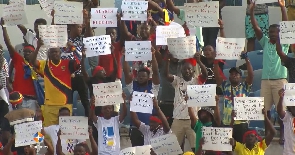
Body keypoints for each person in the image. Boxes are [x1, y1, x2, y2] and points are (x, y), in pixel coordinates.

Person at [249, 0, 289, 144]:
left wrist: (283, 8)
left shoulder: (284, 43)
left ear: (280, 33)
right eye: (271, 32)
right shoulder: (265, 41)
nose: (272, 34)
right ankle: (267, 133)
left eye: (275, 32)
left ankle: (283, 134)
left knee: (281, 111)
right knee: (264, 111)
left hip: (280, 80)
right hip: (265, 81)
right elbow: (255, 26)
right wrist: (251, 11)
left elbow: (286, 25)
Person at [51, 10, 93, 117]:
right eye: (78, 27)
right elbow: (53, 31)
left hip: (79, 74)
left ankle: (89, 122)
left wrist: (87, 21)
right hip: (65, 75)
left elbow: (90, 35)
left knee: (85, 101)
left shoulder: (81, 40)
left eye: (81, 27)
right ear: (72, 27)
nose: (80, 29)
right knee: (66, 101)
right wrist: (54, 17)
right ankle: (67, 121)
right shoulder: (62, 39)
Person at [30, 40, 80, 127]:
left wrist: (73, 49)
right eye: (52, 52)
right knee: (49, 132)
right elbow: (32, 61)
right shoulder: (45, 65)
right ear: (49, 54)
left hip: (66, 104)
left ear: (60, 53)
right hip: (50, 105)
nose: (54, 54)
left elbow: (79, 63)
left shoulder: (68, 63)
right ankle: (42, 140)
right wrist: (38, 47)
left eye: (56, 52)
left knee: (66, 131)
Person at [165, 52, 208, 152]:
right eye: (184, 69)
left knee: (196, 147)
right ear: (181, 71)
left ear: (193, 71)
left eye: (189, 69)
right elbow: (166, 75)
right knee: (173, 148)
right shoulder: (177, 80)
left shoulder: (197, 81)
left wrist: (199, 61)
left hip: (193, 120)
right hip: (177, 119)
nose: (187, 71)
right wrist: (167, 61)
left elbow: (205, 74)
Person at [122, 44, 160, 147]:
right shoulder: (132, 87)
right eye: (139, 76)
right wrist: (125, 56)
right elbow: (126, 73)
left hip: (151, 127)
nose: (141, 77)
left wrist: (153, 55)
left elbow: (156, 72)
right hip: (135, 127)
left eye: (144, 76)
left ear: (148, 78)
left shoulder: (153, 88)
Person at [213, 51, 254, 143]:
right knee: (227, 150)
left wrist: (246, 59)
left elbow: (251, 75)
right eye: (232, 74)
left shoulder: (245, 87)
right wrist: (216, 62)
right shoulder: (225, 86)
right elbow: (217, 76)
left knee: (240, 149)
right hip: (227, 123)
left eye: (236, 74)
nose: (234, 75)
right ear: (229, 76)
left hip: (241, 123)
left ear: (241, 77)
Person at [1, 18, 39, 113]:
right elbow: (8, 44)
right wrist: (3, 27)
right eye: (25, 52)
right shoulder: (19, 60)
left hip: (33, 101)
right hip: (19, 100)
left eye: (29, 52)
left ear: (34, 53)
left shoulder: (38, 64)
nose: (26, 53)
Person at [277, 88, 295, 155]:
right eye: (293, 107)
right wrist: (281, 98)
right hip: (289, 153)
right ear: (289, 108)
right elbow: (279, 111)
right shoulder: (288, 116)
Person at [0, 44, 12, 118]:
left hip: (3, 91)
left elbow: (6, 75)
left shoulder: (4, 61)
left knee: (5, 112)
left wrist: (8, 87)